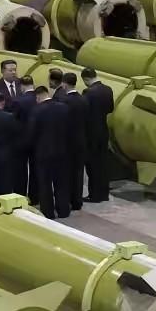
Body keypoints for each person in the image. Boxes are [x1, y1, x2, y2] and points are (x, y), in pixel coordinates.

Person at [27, 86, 71, 219]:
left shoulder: (36, 110)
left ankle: (48, 212)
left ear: (38, 96)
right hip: (62, 151)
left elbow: (32, 132)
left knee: (45, 184)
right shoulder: (64, 108)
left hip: (43, 153)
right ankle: (63, 210)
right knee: (61, 182)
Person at [82, 67, 114, 203]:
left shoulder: (88, 92)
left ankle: (94, 195)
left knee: (92, 166)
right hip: (103, 131)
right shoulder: (108, 89)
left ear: (86, 79)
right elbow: (110, 109)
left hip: (91, 133)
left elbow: (84, 113)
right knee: (103, 164)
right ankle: (104, 194)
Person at [61, 72, 88, 210]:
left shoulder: (65, 101)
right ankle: (77, 201)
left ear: (64, 84)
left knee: (66, 173)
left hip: (67, 142)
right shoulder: (83, 99)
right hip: (81, 140)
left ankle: (68, 199)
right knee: (78, 172)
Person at [13, 75, 37, 198]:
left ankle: (20, 195)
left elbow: (14, 120)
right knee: (35, 170)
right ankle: (34, 196)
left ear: (22, 86)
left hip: (21, 140)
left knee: (20, 170)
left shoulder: (18, 101)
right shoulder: (39, 99)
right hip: (36, 140)